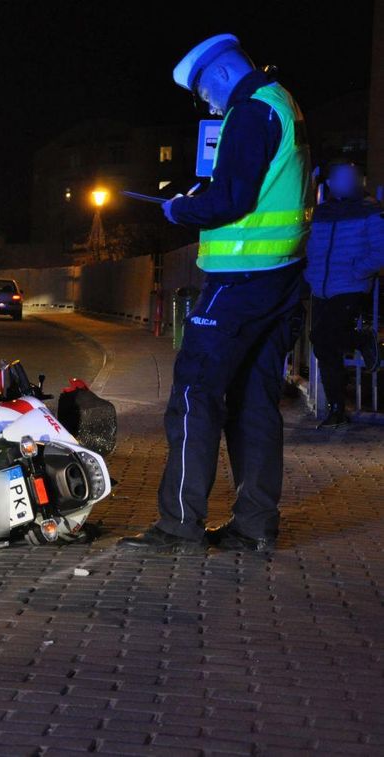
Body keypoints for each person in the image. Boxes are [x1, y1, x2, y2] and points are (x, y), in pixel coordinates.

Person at [119, 34, 311, 555]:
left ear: (221, 74)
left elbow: (232, 199)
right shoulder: (282, 102)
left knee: (193, 393)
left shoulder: (248, 111)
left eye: (204, 91)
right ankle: (254, 527)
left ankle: (179, 525)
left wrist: (182, 209)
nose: (207, 103)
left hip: (239, 280)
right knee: (253, 401)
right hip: (281, 277)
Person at [304, 160, 384, 428]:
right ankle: (336, 408)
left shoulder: (370, 210)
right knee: (325, 346)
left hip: (350, 287)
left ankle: (362, 339)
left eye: (351, 177)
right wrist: (310, 272)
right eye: (341, 177)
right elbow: (311, 246)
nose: (347, 182)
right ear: (331, 183)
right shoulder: (322, 213)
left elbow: (380, 251)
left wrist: (357, 271)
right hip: (322, 287)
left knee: (321, 336)